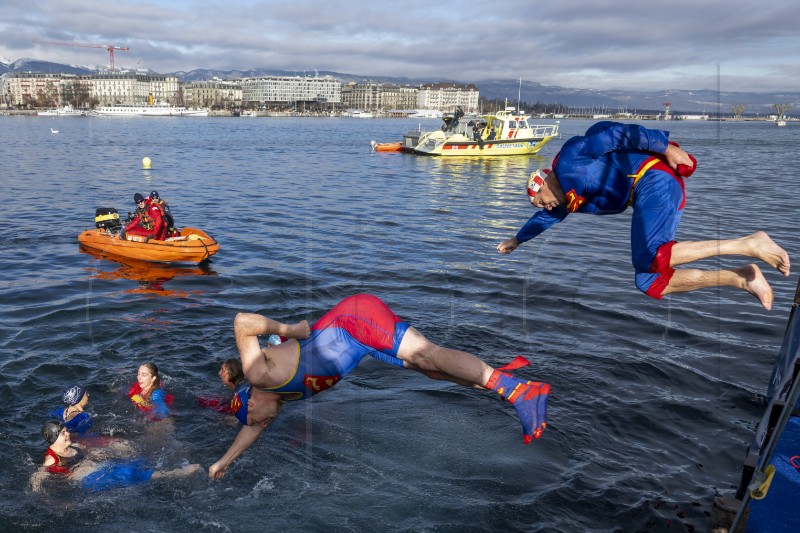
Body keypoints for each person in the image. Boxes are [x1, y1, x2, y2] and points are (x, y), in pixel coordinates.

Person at [208, 293, 550, 479]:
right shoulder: (276, 400)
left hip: (356, 321)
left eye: (260, 421)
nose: (266, 426)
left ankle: (518, 390)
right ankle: (497, 383)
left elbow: (242, 323)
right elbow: (250, 431)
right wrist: (223, 463)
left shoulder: (258, 376)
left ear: (252, 403)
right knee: (429, 370)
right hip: (361, 342)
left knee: (427, 356)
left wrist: (292, 329)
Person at [497, 121, 791, 310]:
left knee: (650, 257)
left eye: (541, 201)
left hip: (652, 178)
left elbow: (617, 133)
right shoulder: (565, 203)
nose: (546, 207)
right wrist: (517, 240)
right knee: (648, 281)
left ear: (543, 182)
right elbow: (544, 220)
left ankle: (750, 243)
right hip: (647, 198)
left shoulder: (571, 156)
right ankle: (741, 278)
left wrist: (667, 148)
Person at [30, 420, 200, 492]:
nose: (67, 434)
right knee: (126, 472)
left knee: (139, 459)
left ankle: (157, 469)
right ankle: (176, 473)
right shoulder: (52, 458)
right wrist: (41, 493)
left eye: (66, 431)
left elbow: (92, 449)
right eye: (62, 433)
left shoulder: (73, 445)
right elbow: (38, 476)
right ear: (53, 438)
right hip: (88, 480)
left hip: (98, 467)